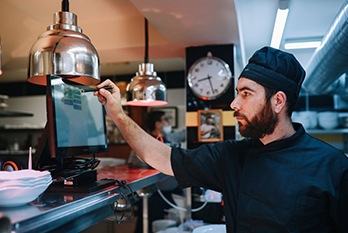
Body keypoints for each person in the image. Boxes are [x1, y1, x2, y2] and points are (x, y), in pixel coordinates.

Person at [95, 46, 348, 232]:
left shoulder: (332, 166)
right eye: (237, 93)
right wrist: (118, 113)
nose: (234, 103)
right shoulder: (231, 156)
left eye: (246, 94)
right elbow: (162, 157)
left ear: (278, 101)